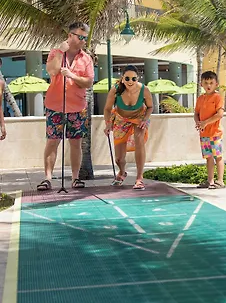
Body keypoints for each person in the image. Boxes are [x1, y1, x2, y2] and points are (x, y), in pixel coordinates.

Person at [37, 22, 94, 191]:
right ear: (70, 35)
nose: (83, 40)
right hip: (55, 105)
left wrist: (72, 75)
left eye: (85, 38)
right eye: (80, 37)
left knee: (75, 143)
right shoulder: (56, 52)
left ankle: (75, 178)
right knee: (52, 141)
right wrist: (60, 52)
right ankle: (47, 178)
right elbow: (52, 71)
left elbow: (88, 82)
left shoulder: (86, 58)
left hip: (77, 106)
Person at [104, 65, 153, 190]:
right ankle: (122, 172)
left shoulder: (144, 90)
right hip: (121, 119)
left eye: (133, 79)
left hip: (139, 117)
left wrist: (145, 119)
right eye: (127, 78)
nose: (130, 82)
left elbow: (150, 107)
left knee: (139, 139)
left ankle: (139, 178)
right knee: (119, 158)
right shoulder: (116, 90)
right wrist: (108, 123)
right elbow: (107, 109)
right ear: (122, 78)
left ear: (138, 78)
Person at [194, 71, 225, 189]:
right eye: (206, 83)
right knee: (208, 157)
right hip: (204, 134)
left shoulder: (217, 97)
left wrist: (205, 122)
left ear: (216, 84)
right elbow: (196, 113)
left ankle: (220, 181)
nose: (208, 85)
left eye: (211, 83)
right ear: (201, 84)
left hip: (215, 133)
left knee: (218, 156)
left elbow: (219, 114)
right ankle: (210, 180)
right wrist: (198, 122)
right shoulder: (200, 99)